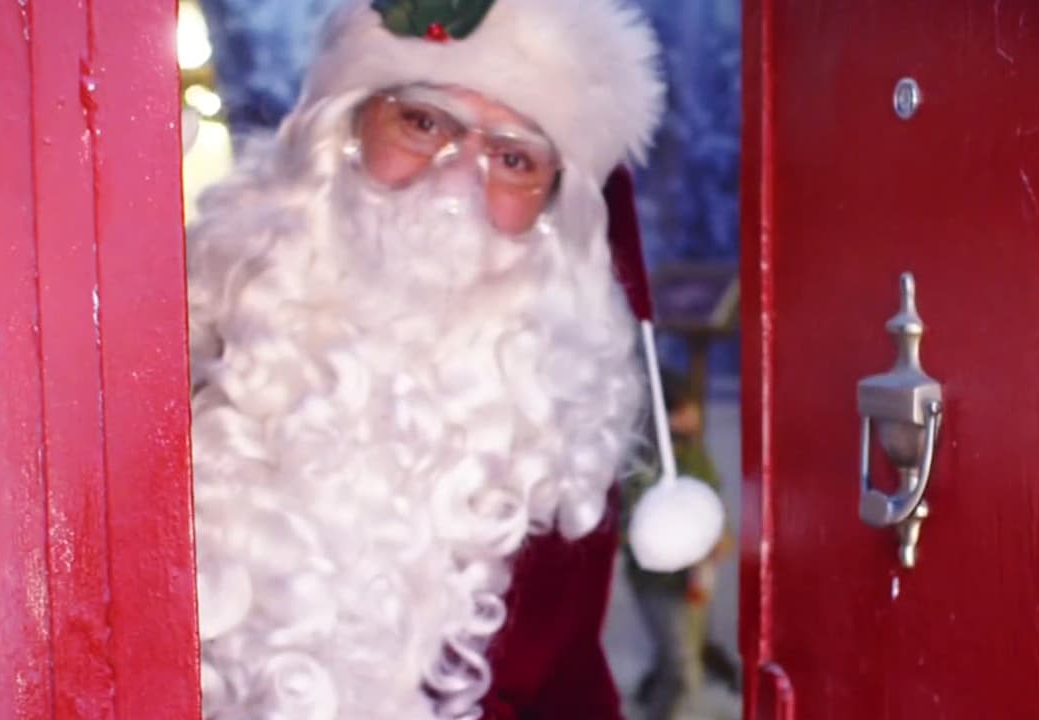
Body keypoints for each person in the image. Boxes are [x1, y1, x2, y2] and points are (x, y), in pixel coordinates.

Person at [185, 1, 665, 718]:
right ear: (343, 131)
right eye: (423, 122)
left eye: (513, 159)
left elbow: (562, 685)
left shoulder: (551, 431)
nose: (456, 178)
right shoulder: (199, 343)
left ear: (549, 210)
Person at [623, 368, 738, 720]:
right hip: (658, 583)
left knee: (680, 655)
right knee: (683, 672)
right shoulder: (644, 461)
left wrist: (720, 537)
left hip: (696, 578)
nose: (693, 415)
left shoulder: (694, 452)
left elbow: (713, 495)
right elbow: (634, 525)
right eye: (683, 409)